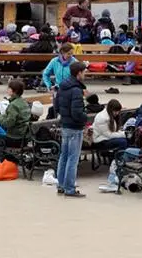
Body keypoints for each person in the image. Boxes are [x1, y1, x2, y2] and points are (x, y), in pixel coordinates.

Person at [54, 60, 89, 197]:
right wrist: (85, 117)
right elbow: (77, 112)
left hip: (65, 124)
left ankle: (61, 185)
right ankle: (70, 188)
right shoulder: (76, 90)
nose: (85, 74)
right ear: (79, 73)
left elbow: (56, 105)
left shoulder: (62, 87)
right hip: (75, 127)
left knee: (64, 156)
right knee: (73, 158)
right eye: (84, 72)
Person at [0, 78, 31, 160]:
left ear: (13, 91)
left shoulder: (13, 105)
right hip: (25, 137)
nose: (7, 89)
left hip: (15, 139)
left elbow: (8, 123)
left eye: (9, 88)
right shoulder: (24, 102)